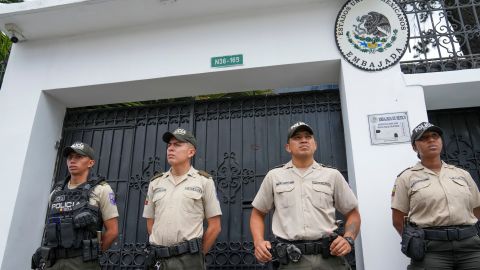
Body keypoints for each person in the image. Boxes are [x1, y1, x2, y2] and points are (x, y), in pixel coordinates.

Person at [250, 121, 361, 269]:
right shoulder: (274, 176)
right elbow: (257, 213)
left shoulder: (332, 175)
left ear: (315, 144)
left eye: (308, 137)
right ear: (288, 147)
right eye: (297, 137)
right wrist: (258, 242)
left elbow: (353, 213)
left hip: (330, 260)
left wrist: (348, 239)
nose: (303, 140)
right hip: (292, 262)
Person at [391, 122, 480, 269]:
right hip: (432, 250)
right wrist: (414, 242)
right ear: (414, 147)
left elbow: (477, 209)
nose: (431, 140)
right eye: (424, 138)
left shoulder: (462, 174)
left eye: (435, 136)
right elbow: (398, 219)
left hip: (470, 247)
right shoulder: (406, 178)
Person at [143, 128, 222, 270]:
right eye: (169, 145)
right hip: (158, 259)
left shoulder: (204, 181)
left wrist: (197, 254)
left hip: (189, 260)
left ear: (191, 152)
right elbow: (150, 223)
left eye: (177, 145)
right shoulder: (156, 183)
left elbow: (215, 226)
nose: (171, 149)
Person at [32, 142, 119, 270]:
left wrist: (93, 254)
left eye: (78, 157)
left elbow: (112, 231)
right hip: (53, 262)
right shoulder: (56, 192)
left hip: (82, 263)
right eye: (70, 157)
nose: (72, 161)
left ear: (90, 163)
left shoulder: (101, 190)